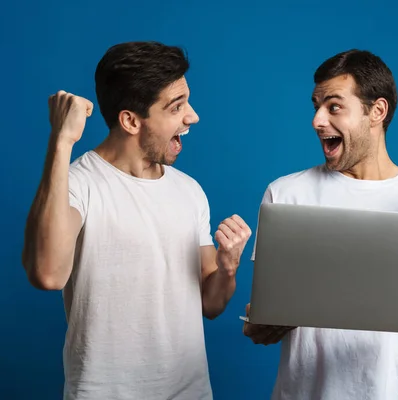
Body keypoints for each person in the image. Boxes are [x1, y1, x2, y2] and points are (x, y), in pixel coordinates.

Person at [21, 41, 252, 400]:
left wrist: (228, 268)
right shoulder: (77, 184)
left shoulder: (189, 190)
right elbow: (47, 274)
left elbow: (211, 305)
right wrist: (61, 140)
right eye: (177, 107)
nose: (192, 117)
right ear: (130, 120)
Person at [243, 49, 398, 400]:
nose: (317, 121)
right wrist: (265, 322)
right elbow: (262, 325)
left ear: (377, 112)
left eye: (334, 106)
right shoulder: (286, 193)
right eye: (316, 106)